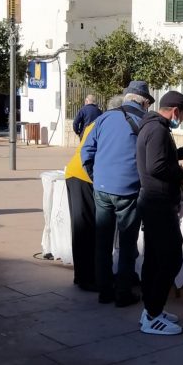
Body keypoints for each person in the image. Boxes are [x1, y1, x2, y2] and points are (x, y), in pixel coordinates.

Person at [80, 81, 154, 307]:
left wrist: (96, 176)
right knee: (127, 244)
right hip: (129, 190)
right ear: (145, 102)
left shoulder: (104, 118)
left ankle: (104, 291)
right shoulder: (146, 123)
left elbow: (86, 150)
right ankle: (123, 293)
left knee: (102, 242)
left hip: (102, 188)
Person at [136, 90, 183, 335]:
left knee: (154, 259)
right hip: (157, 203)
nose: (181, 120)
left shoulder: (151, 126)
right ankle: (152, 314)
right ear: (175, 111)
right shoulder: (158, 130)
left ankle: (151, 309)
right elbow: (157, 166)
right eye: (181, 116)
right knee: (170, 258)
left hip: (155, 202)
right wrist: (182, 175)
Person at [64, 95, 124, 292]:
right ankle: (86, 278)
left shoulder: (103, 121)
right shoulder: (109, 123)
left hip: (79, 175)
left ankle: (84, 275)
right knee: (85, 229)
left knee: (84, 228)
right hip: (83, 177)